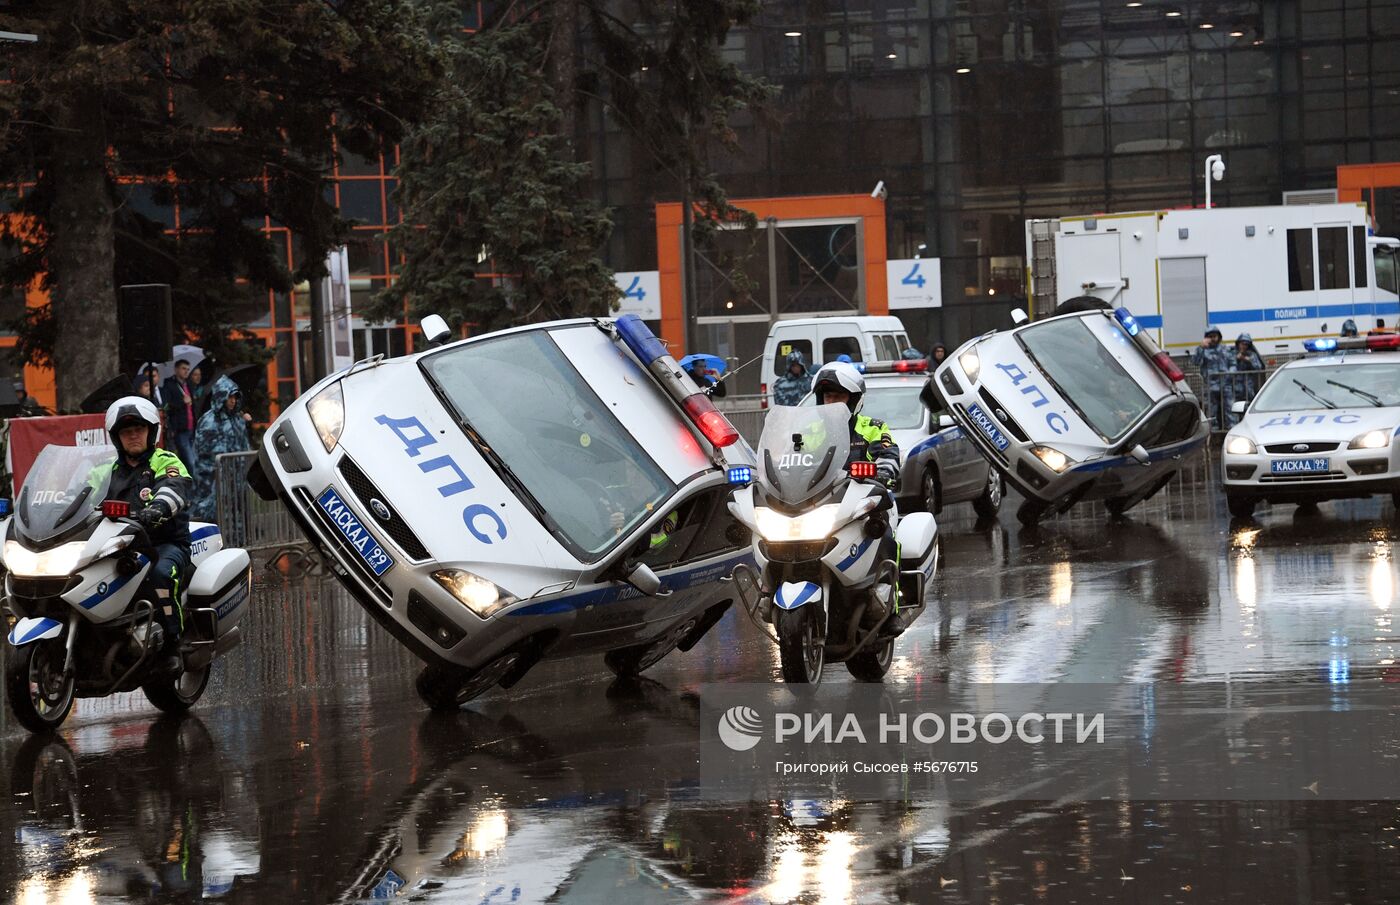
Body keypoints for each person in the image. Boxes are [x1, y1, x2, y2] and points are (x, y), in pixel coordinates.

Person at [101, 396, 194, 674]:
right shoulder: (107, 471)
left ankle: (172, 645)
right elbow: (77, 495)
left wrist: (158, 507)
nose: (133, 435)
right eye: (126, 431)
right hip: (118, 545)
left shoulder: (164, 460)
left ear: (151, 431)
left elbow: (176, 486)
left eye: (139, 428)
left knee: (160, 575)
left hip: (163, 543)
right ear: (116, 437)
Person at [811, 362, 902, 605]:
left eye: (839, 397)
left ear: (853, 400)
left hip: (866, 501)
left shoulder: (872, 427)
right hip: (823, 502)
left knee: (886, 535)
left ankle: (889, 602)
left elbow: (889, 454)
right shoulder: (810, 431)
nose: (833, 403)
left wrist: (884, 472)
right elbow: (787, 458)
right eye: (828, 397)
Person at [191, 375, 252, 521]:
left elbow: (244, 447)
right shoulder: (208, 421)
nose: (233, 401)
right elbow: (204, 453)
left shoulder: (238, 420)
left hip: (237, 478)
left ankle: (239, 540)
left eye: (235, 397)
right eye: (229, 397)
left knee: (238, 514)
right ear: (221, 396)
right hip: (214, 479)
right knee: (214, 516)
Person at [1190, 326, 1232, 430]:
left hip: (1225, 385)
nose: (1213, 338)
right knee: (1211, 412)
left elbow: (1233, 362)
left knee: (1229, 410)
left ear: (1219, 337)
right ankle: (1213, 434)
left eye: (1215, 336)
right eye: (1210, 336)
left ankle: (1231, 431)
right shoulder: (1203, 350)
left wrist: (1230, 373)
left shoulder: (1225, 348)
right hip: (1210, 386)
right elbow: (1195, 362)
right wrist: (1201, 347)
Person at [162, 359, 198, 469]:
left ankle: (190, 484)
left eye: (188, 369)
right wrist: (182, 402)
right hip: (180, 428)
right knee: (190, 461)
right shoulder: (170, 384)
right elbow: (167, 406)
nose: (186, 371)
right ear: (176, 369)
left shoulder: (189, 384)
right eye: (183, 369)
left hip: (191, 427)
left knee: (191, 459)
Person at [1232, 333, 1265, 415]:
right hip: (1235, 385)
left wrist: (1247, 359)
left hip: (1248, 385)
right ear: (1238, 343)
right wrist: (1236, 359)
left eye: (1246, 344)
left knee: (1249, 404)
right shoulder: (1232, 353)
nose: (1244, 346)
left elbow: (1259, 367)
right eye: (1242, 344)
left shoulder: (1251, 354)